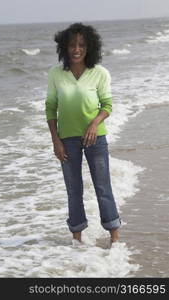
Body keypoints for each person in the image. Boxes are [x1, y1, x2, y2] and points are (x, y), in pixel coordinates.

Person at [45, 22, 121, 247]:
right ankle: (77, 238)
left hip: (95, 138)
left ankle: (114, 236)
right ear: (64, 47)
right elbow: (50, 107)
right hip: (66, 140)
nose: (76, 49)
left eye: (82, 45)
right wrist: (55, 140)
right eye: (71, 45)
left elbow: (107, 104)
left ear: (90, 48)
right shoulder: (56, 73)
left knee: (102, 186)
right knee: (73, 189)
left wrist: (94, 124)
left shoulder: (100, 73)